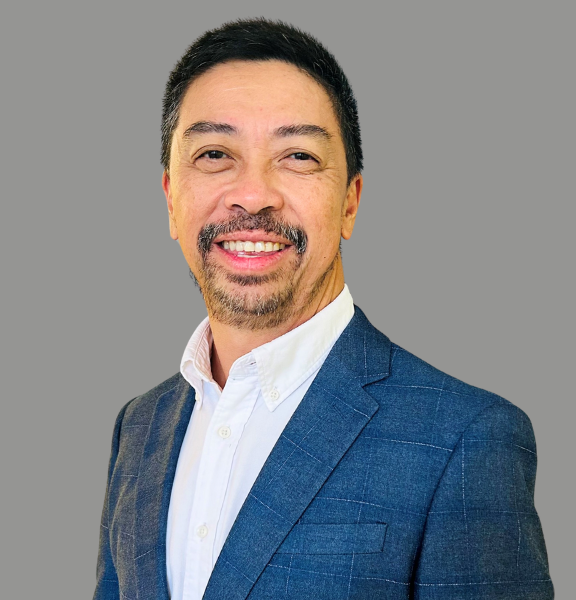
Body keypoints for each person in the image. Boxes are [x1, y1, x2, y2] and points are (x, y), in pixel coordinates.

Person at [93, 18, 553, 600]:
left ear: (350, 203)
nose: (253, 194)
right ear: (170, 200)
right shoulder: (139, 427)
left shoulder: (467, 441)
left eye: (299, 157)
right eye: (214, 153)